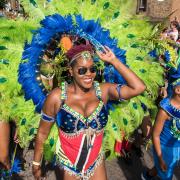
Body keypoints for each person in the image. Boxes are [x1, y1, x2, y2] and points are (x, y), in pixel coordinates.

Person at [32, 44, 146, 180]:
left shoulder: (103, 91)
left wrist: (114, 60)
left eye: (93, 69)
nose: (89, 74)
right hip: (68, 164)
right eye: (82, 70)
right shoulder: (57, 97)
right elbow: (42, 133)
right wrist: (36, 163)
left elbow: (139, 87)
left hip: (95, 162)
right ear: (70, 71)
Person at [141, 78, 180, 180]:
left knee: (165, 167)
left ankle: (148, 175)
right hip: (165, 149)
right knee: (166, 174)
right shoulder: (165, 110)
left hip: (177, 146)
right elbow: (156, 135)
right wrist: (160, 157)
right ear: (178, 90)